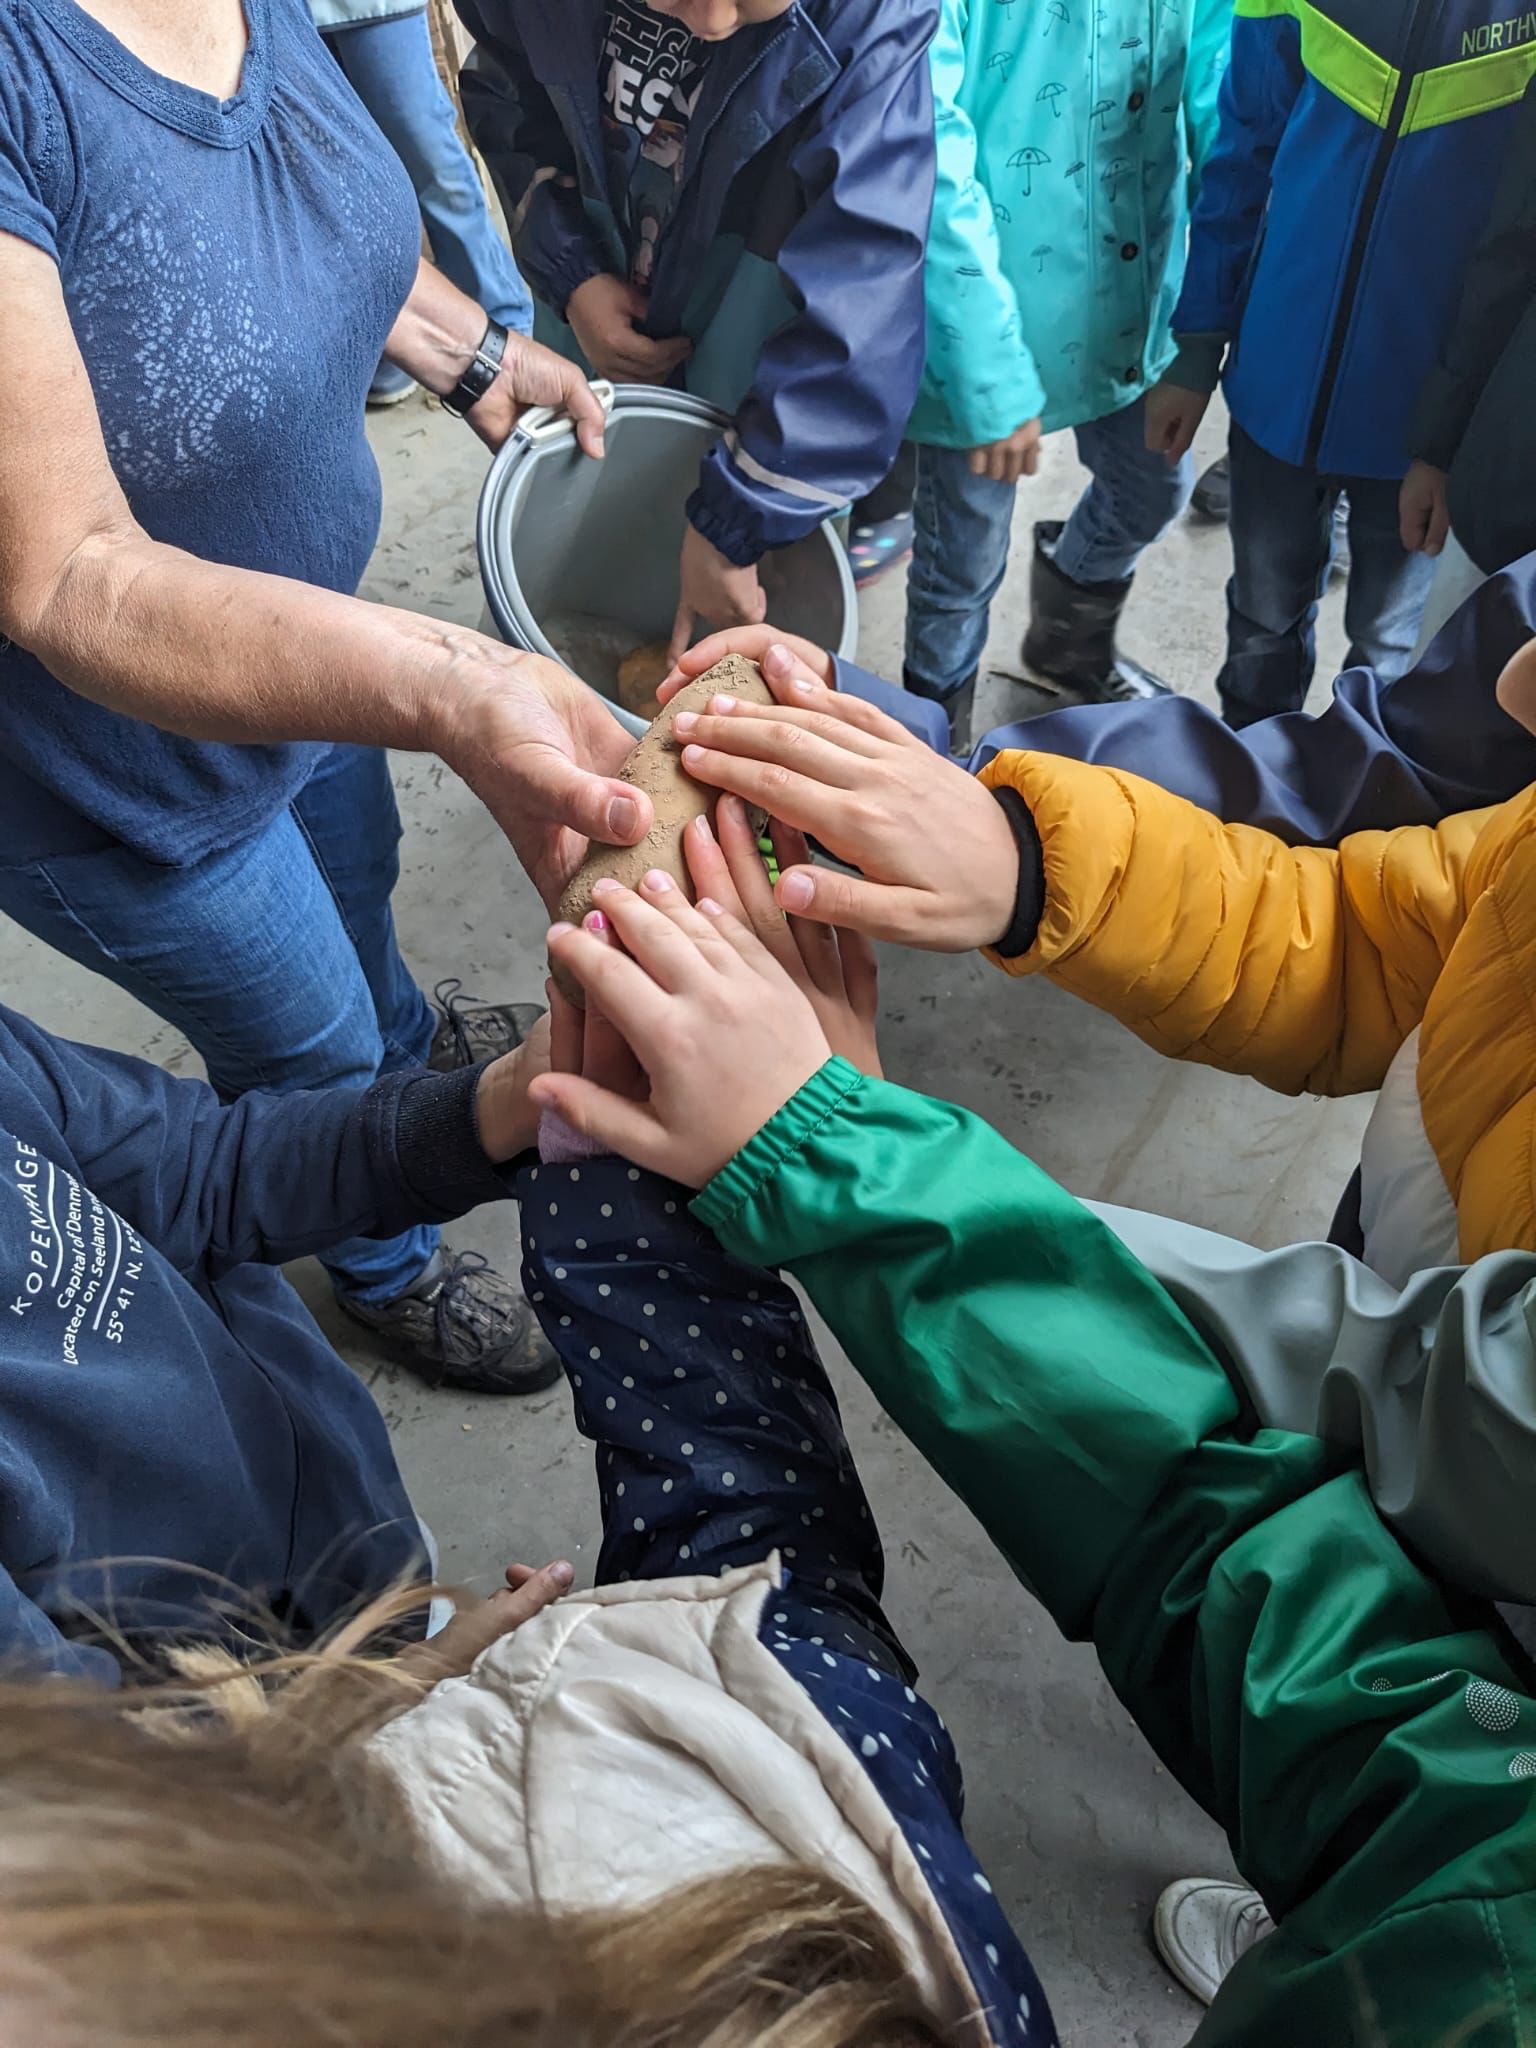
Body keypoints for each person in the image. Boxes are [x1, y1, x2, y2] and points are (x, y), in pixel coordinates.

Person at [525, 865, 1536, 2045]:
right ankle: (1332, 1919)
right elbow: (1288, 1608)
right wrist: (1010, 861)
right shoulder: (1479, 1902)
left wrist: (846, 1156)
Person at [0, 0, 652, 1393]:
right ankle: (384, 1261)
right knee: (304, 1041)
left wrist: (475, 349)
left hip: (307, 660)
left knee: (362, 896)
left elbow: (284, 215)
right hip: (115, 774)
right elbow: (65, 577)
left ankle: (408, 1057)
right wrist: (457, 681)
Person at [0, 989, 564, 1682]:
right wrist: (383, 1699)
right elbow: (74, 1750)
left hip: (337, 1497)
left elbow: (194, 1166)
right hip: (229, 1713)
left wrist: (495, 1104)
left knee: (407, 1594)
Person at [454, 0, 938, 662]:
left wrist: (740, 517)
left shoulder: (869, 17)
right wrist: (573, 273)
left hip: (761, 373)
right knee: (576, 544)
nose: (710, 19)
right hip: (588, 326)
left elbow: (867, 283)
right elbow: (504, 88)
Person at [1144, 0, 1529, 727]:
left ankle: (1352, 811)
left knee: (1388, 652)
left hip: (1419, 427)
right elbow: (1240, 158)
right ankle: (1249, 782)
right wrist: (1196, 348)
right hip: (1274, 392)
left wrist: (1449, 446)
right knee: (1261, 622)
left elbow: (1517, 255)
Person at [900, 0, 1231, 749]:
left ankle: (1068, 647)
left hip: (1134, 299)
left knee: (1151, 488)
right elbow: (930, 162)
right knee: (961, 561)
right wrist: (986, 374)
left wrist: (1215, 306)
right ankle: (933, 747)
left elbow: (1218, 91)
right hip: (984, 317)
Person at [313, 0, 536, 405]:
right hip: (275, 16)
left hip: (375, 6)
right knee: (336, 171)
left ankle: (504, 323)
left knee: (424, 148)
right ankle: (393, 342)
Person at [1402, 74, 1536, 655]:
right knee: (1428, 728)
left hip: (1503, 505)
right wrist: (1440, 446)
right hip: (1505, 506)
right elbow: (1509, 259)